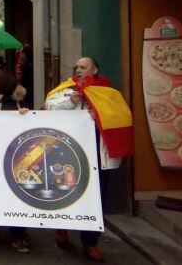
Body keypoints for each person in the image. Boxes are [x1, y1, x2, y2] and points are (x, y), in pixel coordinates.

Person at [45, 56, 129, 263]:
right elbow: (49, 107)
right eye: (77, 67)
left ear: (95, 69)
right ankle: (62, 229)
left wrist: (99, 115)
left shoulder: (109, 92)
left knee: (96, 198)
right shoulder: (67, 88)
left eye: (83, 67)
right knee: (64, 192)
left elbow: (120, 116)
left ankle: (90, 242)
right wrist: (69, 101)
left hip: (98, 156)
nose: (79, 70)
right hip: (69, 155)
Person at [0, 71, 30, 253]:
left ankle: (18, 234)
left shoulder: (18, 103)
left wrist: (25, 115)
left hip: (14, 157)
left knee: (15, 193)